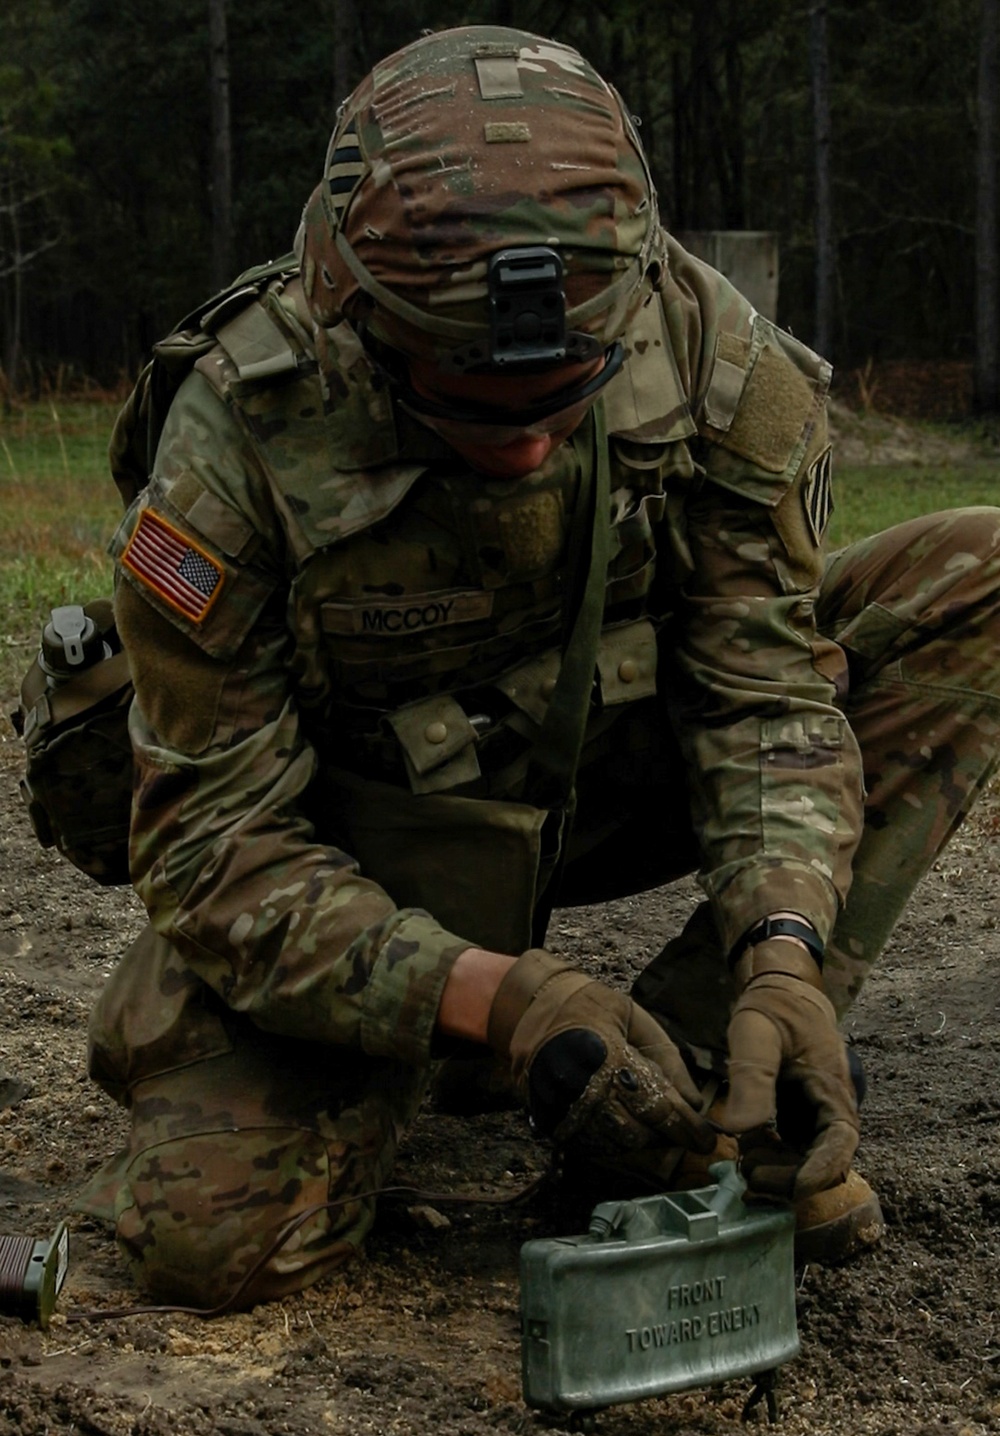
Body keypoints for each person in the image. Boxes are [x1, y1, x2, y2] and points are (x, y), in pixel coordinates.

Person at [82, 25, 1000, 1309]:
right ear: (360, 319)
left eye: (566, 397)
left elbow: (765, 699)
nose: (523, 447)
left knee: (979, 573)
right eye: (468, 403)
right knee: (213, 1241)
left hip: (608, 776)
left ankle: (693, 1072)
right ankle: (449, 1047)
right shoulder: (237, 441)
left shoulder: (701, 350)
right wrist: (492, 999)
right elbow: (210, 844)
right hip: (363, 854)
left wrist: (784, 942)